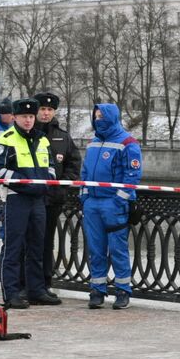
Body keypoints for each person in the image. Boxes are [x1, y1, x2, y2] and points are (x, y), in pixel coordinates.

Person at [0, 97, 59, 308]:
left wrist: (46, 183)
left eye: (31, 116)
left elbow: (50, 168)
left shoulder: (42, 139)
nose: (28, 120)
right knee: (13, 248)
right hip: (16, 198)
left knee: (37, 247)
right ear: (15, 117)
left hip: (38, 199)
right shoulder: (6, 139)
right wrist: (26, 185)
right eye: (24, 117)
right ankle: (11, 293)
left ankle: (36, 290)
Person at [79, 103, 142, 309]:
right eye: (96, 116)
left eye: (101, 116)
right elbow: (85, 173)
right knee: (96, 250)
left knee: (117, 249)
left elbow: (132, 176)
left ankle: (123, 291)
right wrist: (85, 196)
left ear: (111, 117)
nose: (98, 120)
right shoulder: (93, 143)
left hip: (113, 205)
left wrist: (118, 200)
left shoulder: (128, 143)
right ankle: (97, 290)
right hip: (92, 205)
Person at [34, 91, 82, 293]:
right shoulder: (28, 133)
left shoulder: (62, 137)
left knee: (46, 242)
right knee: (28, 241)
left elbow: (74, 163)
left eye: (49, 110)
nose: (46, 113)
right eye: (42, 109)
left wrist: (65, 182)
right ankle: (26, 282)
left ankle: (45, 282)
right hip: (31, 197)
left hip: (53, 199)